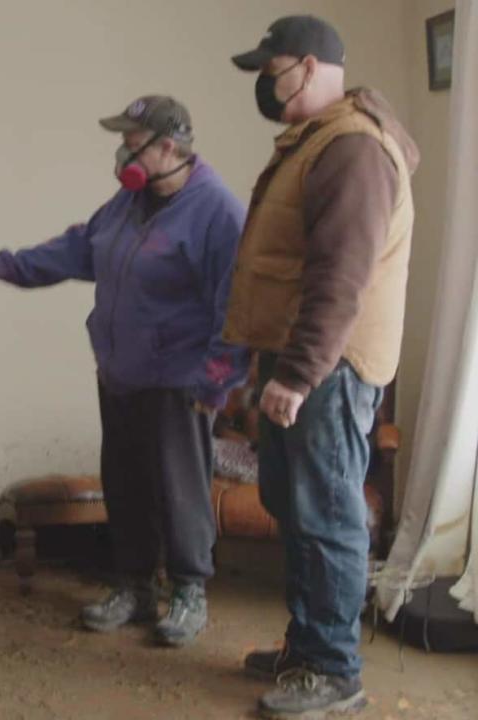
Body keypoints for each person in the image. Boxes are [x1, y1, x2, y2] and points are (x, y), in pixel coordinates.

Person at [0, 95, 249, 646]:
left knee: (179, 489)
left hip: (180, 381)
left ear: (168, 147)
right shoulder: (127, 204)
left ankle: (189, 592)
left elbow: (234, 307)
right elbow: (79, 248)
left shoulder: (217, 212)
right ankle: (135, 585)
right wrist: (10, 266)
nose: (120, 152)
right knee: (126, 484)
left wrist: (216, 382)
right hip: (120, 373)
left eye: (131, 141)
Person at [226, 16, 419, 719]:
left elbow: (341, 278)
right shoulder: (319, 142)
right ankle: (309, 646)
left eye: (267, 69)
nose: (262, 84)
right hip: (305, 360)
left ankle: (335, 671)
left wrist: (298, 373)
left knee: (328, 514)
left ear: (306, 67)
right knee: (297, 507)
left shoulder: (352, 150)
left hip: (329, 368)